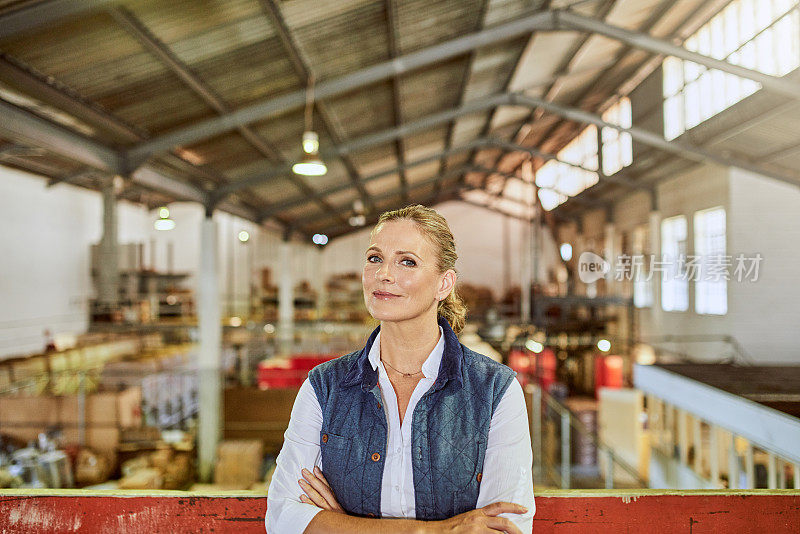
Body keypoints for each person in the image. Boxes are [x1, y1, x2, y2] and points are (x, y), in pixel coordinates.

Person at [266, 205, 535, 533]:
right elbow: (282, 518)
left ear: (443, 284)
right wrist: (439, 530)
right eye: (375, 258)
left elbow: (507, 527)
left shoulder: (495, 390)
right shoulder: (324, 387)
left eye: (407, 261)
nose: (383, 274)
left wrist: (341, 525)